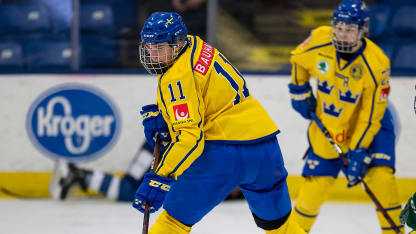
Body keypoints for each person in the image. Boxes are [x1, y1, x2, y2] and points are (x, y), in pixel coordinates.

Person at [132, 11, 306, 234]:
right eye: (149, 46)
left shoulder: (176, 78)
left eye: (160, 47)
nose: (153, 55)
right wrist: (168, 116)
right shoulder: (197, 45)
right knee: (280, 227)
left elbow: (191, 138)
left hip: (222, 154)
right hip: (264, 148)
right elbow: (205, 94)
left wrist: (161, 177)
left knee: (173, 222)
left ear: (177, 43)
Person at [287, 0, 404, 233]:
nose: (342, 34)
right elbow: (297, 59)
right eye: (339, 27)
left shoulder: (376, 62)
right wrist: (299, 89)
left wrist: (359, 150)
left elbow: (370, 117)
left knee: (382, 183)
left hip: (372, 129)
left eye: (350, 29)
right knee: (310, 195)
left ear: (363, 31)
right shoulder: (320, 39)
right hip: (329, 125)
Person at [49, 142, 154, 201]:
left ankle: (81, 175)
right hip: (156, 145)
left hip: (159, 145)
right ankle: (80, 175)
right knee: (131, 190)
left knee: (133, 190)